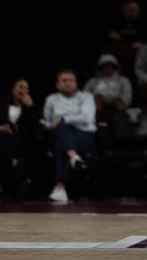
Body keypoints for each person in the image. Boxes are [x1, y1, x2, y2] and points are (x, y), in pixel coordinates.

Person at [42, 69, 96, 203]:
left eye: (70, 81)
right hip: (60, 134)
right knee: (61, 133)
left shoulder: (87, 97)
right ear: (57, 84)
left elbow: (86, 117)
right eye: (64, 81)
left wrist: (62, 119)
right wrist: (51, 125)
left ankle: (60, 187)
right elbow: (47, 120)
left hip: (84, 134)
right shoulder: (51, 99)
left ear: (76, 83)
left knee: (61, 141)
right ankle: (74, 157)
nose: (67, 83)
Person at [0, 77, 38, 199]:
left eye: (26, 88)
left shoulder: (29, 108)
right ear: (13, 89)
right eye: (20, 87)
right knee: (4, 136)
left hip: (21, 142)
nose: (24, 90)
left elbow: (35, 128)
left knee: (14, 141)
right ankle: (13, 161)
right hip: (0, 140)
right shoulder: (0, 105)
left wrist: (30, 107)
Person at [84, 53, 133, 122]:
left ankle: (121, 124)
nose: (108, 69)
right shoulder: (92, 81)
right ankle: (97, 123)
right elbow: (85, 95)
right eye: (105, 66)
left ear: (115, 67)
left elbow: (128, 95)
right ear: (101, 67)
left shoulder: (124, 80)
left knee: (119, 102)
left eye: (110, 66)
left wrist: (121, 101)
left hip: (118, 103)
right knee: (97, 98)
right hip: (98, 104)